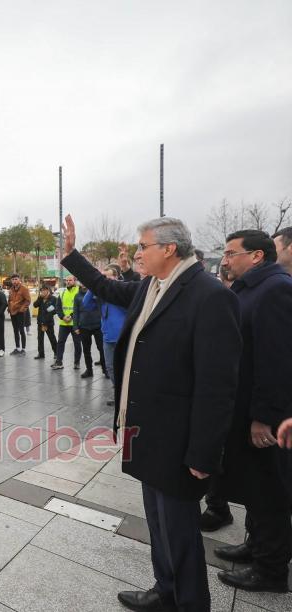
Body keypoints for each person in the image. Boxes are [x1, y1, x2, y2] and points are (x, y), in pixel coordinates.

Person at [61, 214, 241, 612]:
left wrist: (204, 453)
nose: (137, 253)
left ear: (169, 248)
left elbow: (218, 385)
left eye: (143, 246)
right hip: (145, 432)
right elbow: (106, 286)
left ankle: (191, 602)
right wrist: (72, 255)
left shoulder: (210, 296)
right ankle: (166, 591)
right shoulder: (152, 286)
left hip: (178, 442)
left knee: (180, 531)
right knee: (158, 525)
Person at [213, 230, 292, 594]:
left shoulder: (276, 289)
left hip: (263, 416)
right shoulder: (250, 287)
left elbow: (275, 361)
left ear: (257, 256)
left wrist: (264, 416)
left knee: (269, 491)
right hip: (243, 408)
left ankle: (271, 569)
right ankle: (256, 544)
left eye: (231, 253)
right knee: (254, 488)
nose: (225, 260)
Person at [83, 265, 127, 405]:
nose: (105, 280)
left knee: (125, 367)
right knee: (110, 367)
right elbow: (86, 304)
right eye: (104, 277)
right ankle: (118, 392)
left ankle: (126, 394)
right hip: (107, 336)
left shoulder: (122, 290)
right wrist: (94, 286)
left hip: (123, 336)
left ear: (116, 277)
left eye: (108, 277)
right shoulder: (102, 294)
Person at [74, 283, 106, 379]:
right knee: (86, 350)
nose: (83, 284)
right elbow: (75, 312)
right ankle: (89, 370)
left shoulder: (95, 293)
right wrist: (75, 326)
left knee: (101, 349)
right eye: (81, 282)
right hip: (84, 327)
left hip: (98, 326)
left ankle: (105, 369)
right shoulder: (77, 296)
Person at [52, 276, 81, 370]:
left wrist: (71, 316)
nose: (68, 282)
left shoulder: (79, 291)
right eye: (67, 280)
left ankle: (77, 363)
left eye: (70, 280)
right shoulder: (63, 292)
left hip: (75, 323)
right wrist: (62, 316)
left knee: (77, 343)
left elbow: (80, 307)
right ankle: (59, 362)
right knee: (60, 342)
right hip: (64, 323)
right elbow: (58, 307)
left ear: (75, 281)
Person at [33, 285, 59, 361]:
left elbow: (56, 309)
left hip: (49, 322)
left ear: (48, 290)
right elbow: (35, 305)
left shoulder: (53, 299)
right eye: (41, 290)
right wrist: (39, 298)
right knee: (40, 339)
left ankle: (56, 353)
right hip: (40, 322)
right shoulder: (40, 298)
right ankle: (41, 354)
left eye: (44, 290)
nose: (43, 292)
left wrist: (49, 313)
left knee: (52, 338)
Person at [7, 274, 30, 355]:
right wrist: (9, 308)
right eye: (13, 279)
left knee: (21, 331)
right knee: (15, 331)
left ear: (19, 280)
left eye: (16, 279)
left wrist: (22, 309)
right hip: (12, 313)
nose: (14, 281)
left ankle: (23, 349)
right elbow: (9, 300)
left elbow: (28, 300)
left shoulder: (24, 289)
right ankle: (17, 348)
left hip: (20, 313)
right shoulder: (11, 289)